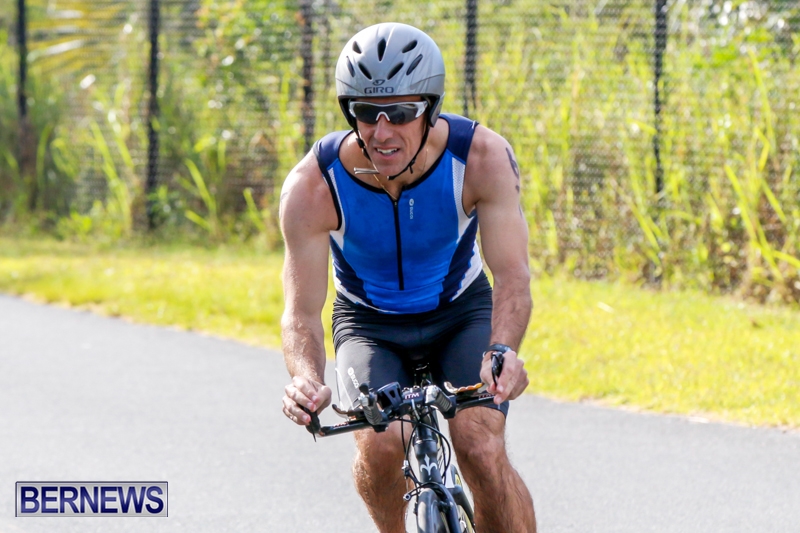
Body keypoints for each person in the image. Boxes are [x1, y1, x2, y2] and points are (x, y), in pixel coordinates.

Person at [280, 22, 536, 533]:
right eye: (365, 113)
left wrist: (503, 349)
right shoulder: (313, 185)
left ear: (430, 108)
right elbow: (301, 311)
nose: (381, 132)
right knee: (380, 446)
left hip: (461, 313)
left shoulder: (480, 158)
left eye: (400, 113)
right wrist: (306, 378)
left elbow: (513, 277)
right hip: (368, 325)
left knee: (480, 445)